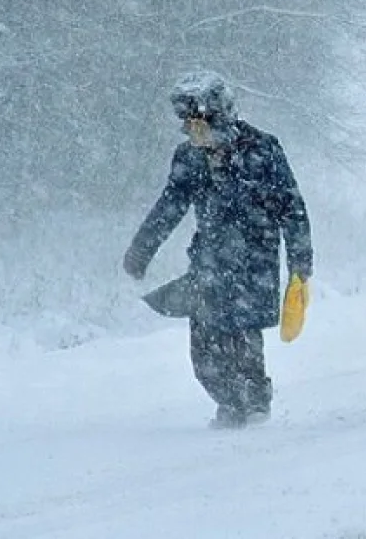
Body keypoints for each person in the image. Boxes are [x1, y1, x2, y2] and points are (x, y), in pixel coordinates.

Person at [123, 71, 313, 429]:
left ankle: (254, 405)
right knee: (204, 351)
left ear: (221, 116)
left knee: (242, 338)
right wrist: (141, 249)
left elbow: (292, 208)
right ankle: (229, 402)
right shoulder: (188, 158)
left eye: (200, 123)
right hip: (208, 263)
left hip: (254, 262)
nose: (194, 132)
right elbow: (170, 206)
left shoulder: (263, 150)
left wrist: (300, 265)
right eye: (188, 124)